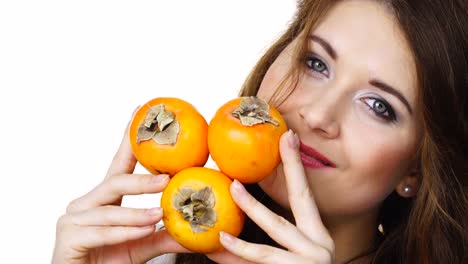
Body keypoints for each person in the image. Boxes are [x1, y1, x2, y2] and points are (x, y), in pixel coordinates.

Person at [52, 0, 468, 263]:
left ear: (415, 169)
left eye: (379, 106)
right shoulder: (156, 255)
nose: (318, 115)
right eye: (316, 63)